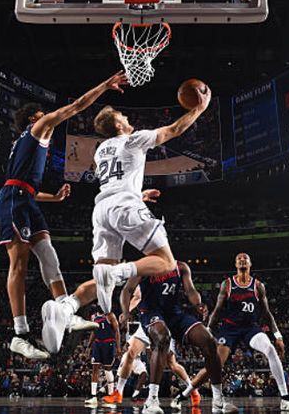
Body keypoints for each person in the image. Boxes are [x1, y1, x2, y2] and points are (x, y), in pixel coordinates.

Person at [0, 71, 128, 357]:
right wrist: (105, 85)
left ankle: (65, 311)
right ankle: (19, 334)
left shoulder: (26, 144)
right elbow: (76, 106)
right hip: (14, 199)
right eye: (44, 115)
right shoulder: (38, 127)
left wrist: (53, 198)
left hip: (24, 197)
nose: (50, 118)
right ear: (34, 118)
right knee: (19, 264)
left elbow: (26, 186)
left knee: (49, 256)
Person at [89, 85, 211, 314]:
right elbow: (174, 129)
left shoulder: (100, 150)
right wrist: (199, 108)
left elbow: (113, 176)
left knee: (104, 264)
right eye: (122, 116)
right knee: (167, 262)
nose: (127, 118)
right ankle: (116, 274)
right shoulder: (133, 140)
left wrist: (138, 194)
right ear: (118, 125)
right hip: (123, 205)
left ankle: (74, 305)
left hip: (102, 208)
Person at [184, 253, 289, 412]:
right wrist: (208, 331)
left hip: (250, 328)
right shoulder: (227, 284)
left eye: (245, 258)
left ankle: (285, 398)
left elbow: (266, 313)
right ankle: (187, 393)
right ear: (235, 264)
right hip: (229, 328)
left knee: (270, 349)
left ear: (250, 263)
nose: (242, 259)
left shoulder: (258, 286)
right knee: (216, 364)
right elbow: (217, 311)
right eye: (239, 258)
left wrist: (278, 336)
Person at [120, 260, 237, 414]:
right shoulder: (144, 267)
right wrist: (125, 312)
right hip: (151, 312)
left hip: (174, 313)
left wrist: (198, 304)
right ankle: (152, 400)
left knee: (208, 341)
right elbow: (127, 290)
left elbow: (191, 291)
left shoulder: (180, 267)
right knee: (163, 339)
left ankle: (218, 400)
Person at [103, 283, 201, 407]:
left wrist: (127, 311)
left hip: (162, 323)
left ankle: (192, 389)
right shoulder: (144, 278)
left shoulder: (160, 279)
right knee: (130, 353)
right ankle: (118, 392)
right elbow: (137, 296)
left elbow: (139, 297)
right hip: (147, 321)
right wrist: (127, 311)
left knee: (171, 363)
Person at [84, 308, 120, 408]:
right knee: (95, 368)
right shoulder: (94, 317)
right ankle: (93, 396)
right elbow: (93, 332)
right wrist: (88, 346)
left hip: (109, 343)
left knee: (108, 369)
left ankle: (111, 396)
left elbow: (117, 331)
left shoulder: (110, 315)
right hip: (98, 344)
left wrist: (118, 348)